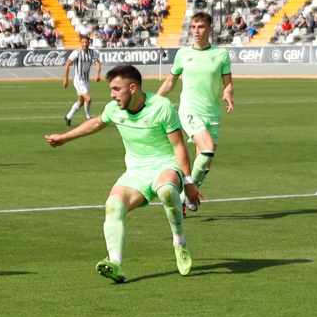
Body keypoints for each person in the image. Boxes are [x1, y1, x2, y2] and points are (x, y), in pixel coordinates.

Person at [45, 65, 202, 283]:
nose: (112, 94)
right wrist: (64, 137)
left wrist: (189, 183)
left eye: (116, 89)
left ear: (133, 87)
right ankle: (115, 263)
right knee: (112, 206)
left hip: (164, 165)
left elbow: (178, 146)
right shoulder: (114, 109)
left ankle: (179, 242)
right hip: (135, 172)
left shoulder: (162, 106)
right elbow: (97, 122)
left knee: (166, 190)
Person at [155, 11, 233, 211]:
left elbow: (228, 83)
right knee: (207, 148)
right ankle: (184, 197)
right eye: (193, 27)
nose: (196, 31)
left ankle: (184, 197)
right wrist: (154, 101)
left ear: (209, 29)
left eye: (200, 27)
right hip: (189, 110)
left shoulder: (221, 54)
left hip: (212, 113)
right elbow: (171, 81)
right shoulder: (183, 54)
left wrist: (228, 93)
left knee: (205, 163)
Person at [62, 34, 101, 126]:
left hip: (86, 80)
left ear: (89, 43)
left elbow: (98, 63)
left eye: (86, 42)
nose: (84, 44)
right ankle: (89, 118)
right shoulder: (77, 53)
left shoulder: (92, 53)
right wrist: (66, 79)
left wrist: (97, 74)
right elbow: (67, 64)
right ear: (80, 43)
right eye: (83, 42)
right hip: (78, 80)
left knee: (81, 101)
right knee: (88, 98)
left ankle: (68, 117)